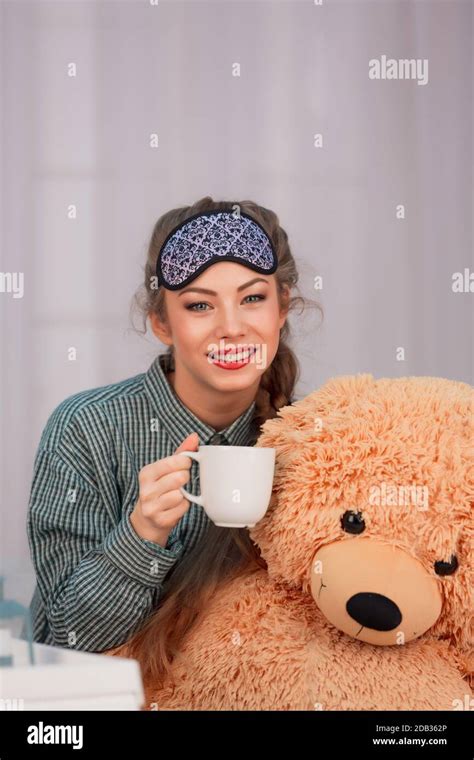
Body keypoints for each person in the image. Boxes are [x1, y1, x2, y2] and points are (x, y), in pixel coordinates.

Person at [24, 196, 322, 662]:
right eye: (200, 305)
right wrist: (142, 532)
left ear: (282, 308)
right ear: (161, 322)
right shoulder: (86, 428)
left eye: (252, 299)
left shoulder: (311, 440)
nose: (231, 328)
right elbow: (67, 636)